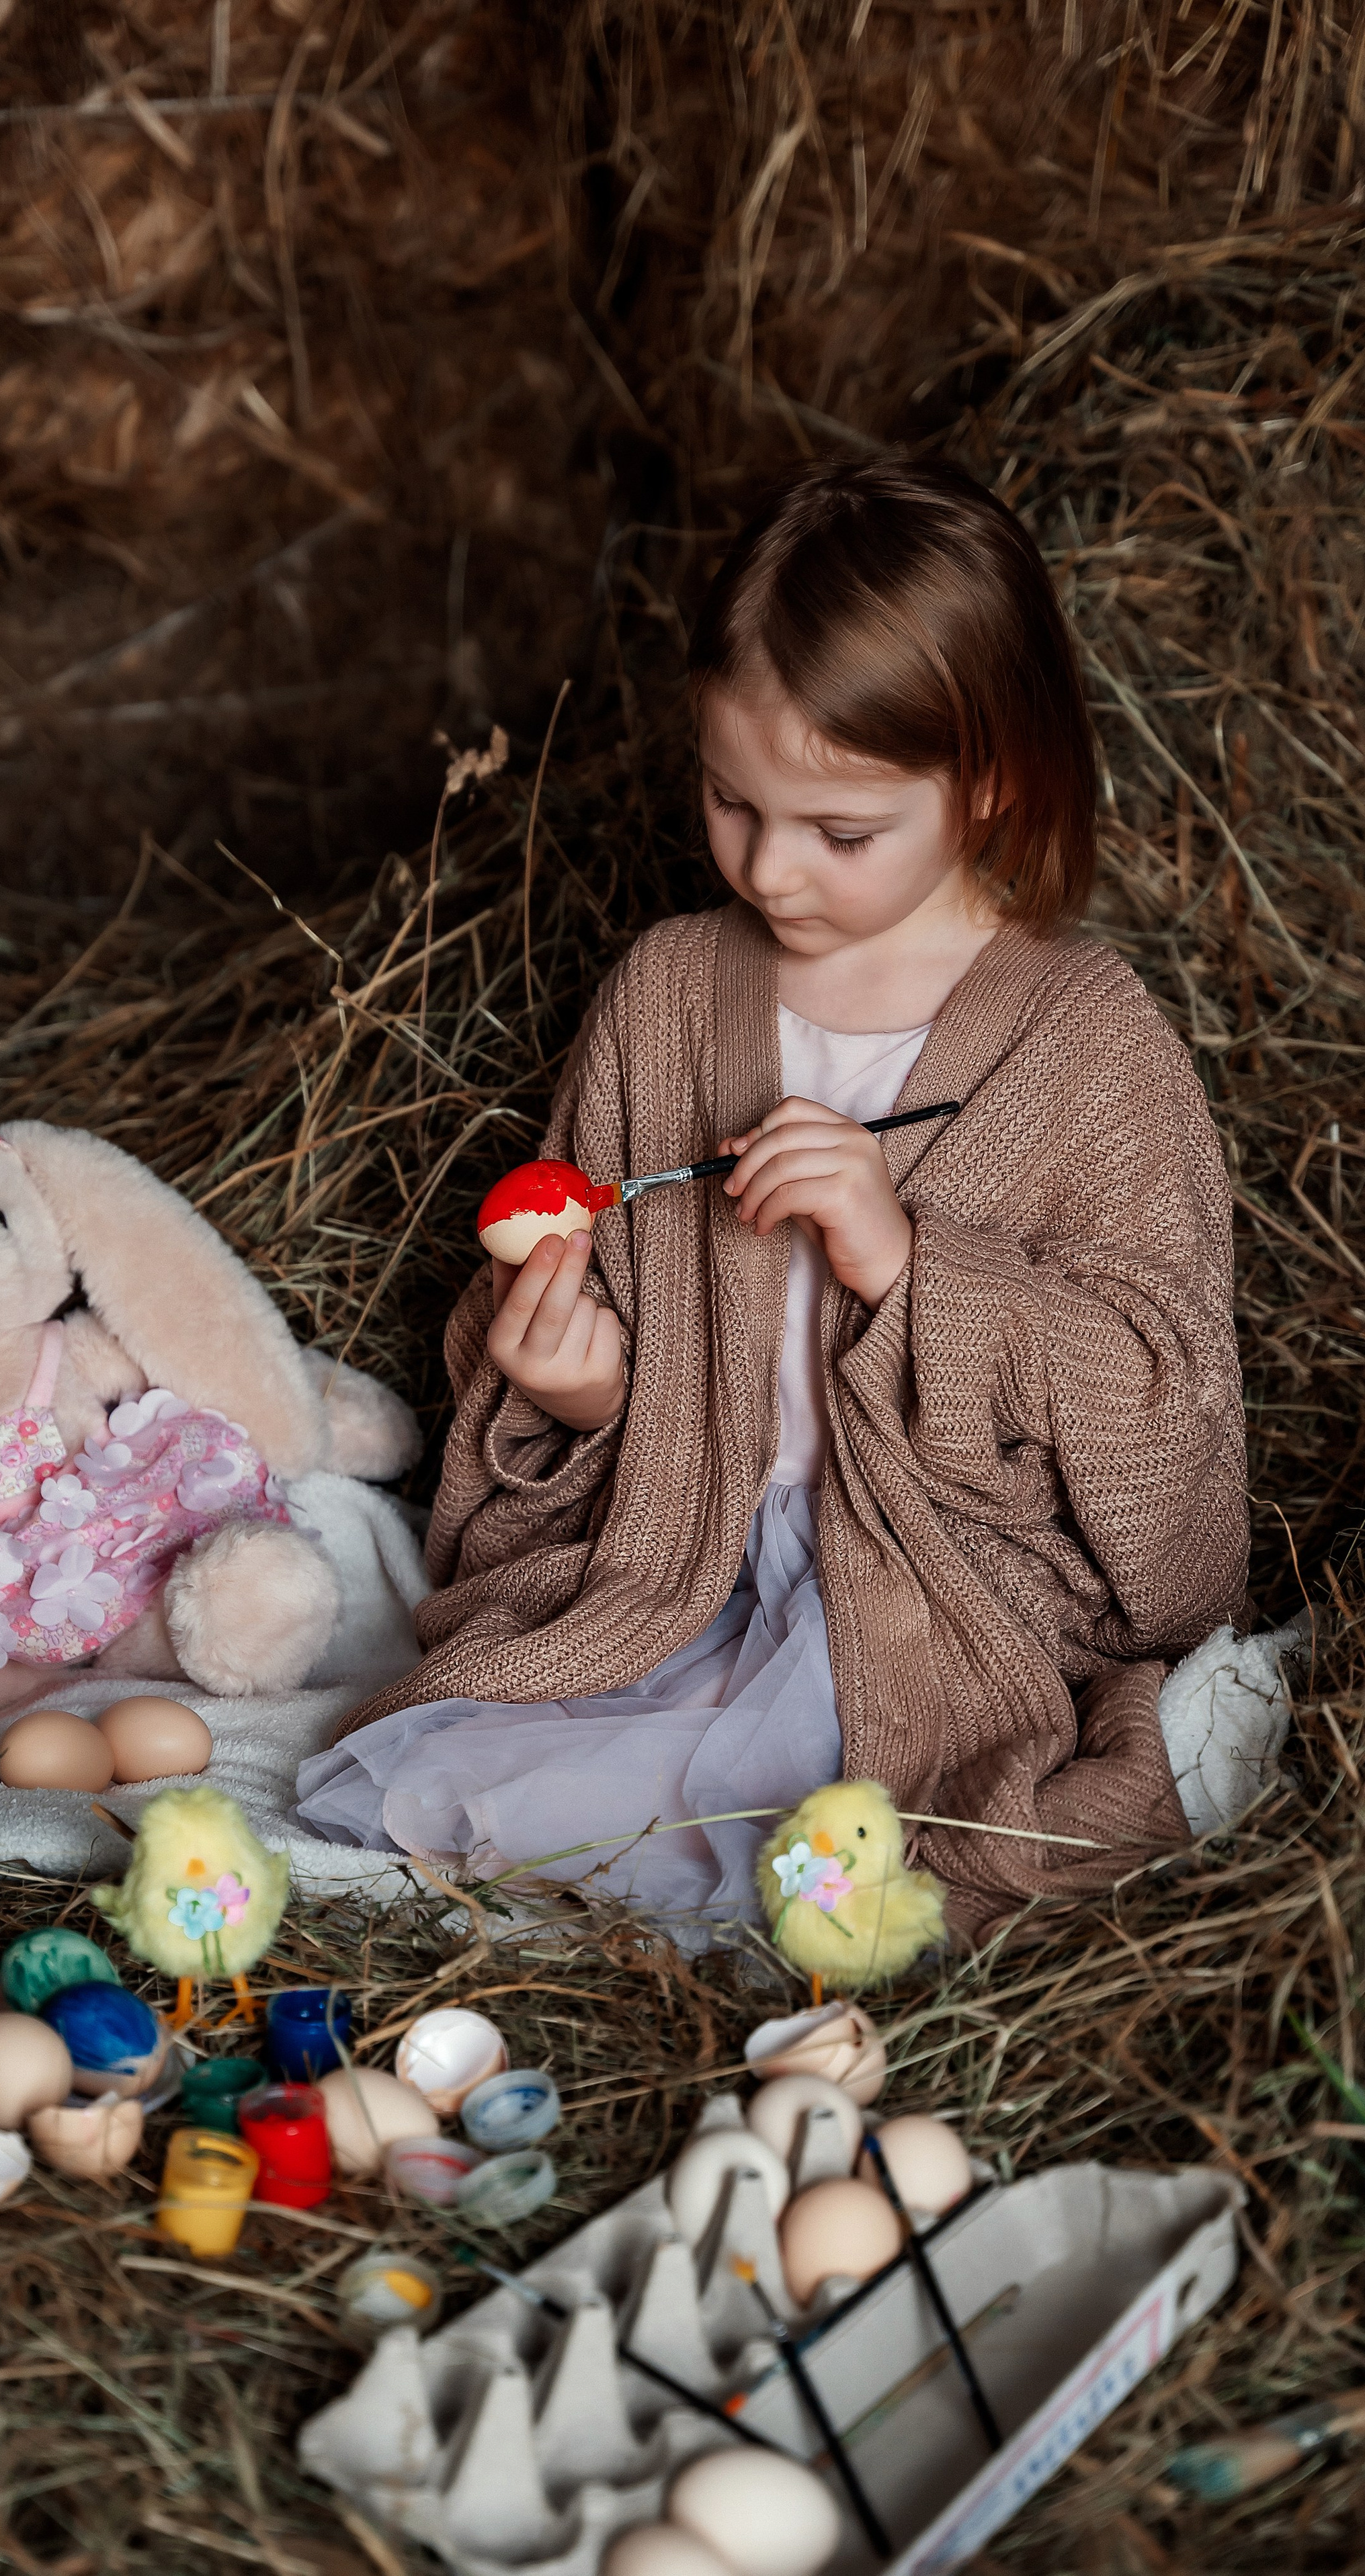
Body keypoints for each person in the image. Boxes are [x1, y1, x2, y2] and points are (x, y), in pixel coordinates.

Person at [295, 457, 1249, 1940]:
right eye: (729, 801)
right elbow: (594, 1304)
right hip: (679, 1551)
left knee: (855, 1813)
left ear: (987, 781)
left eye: (838, 832)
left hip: (935, 1591)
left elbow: (1165, 1399)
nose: (766, 867)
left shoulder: (1084, 1041)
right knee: (481, 1766)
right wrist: (579, 1385)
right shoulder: (670, 996)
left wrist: (908, 1263)